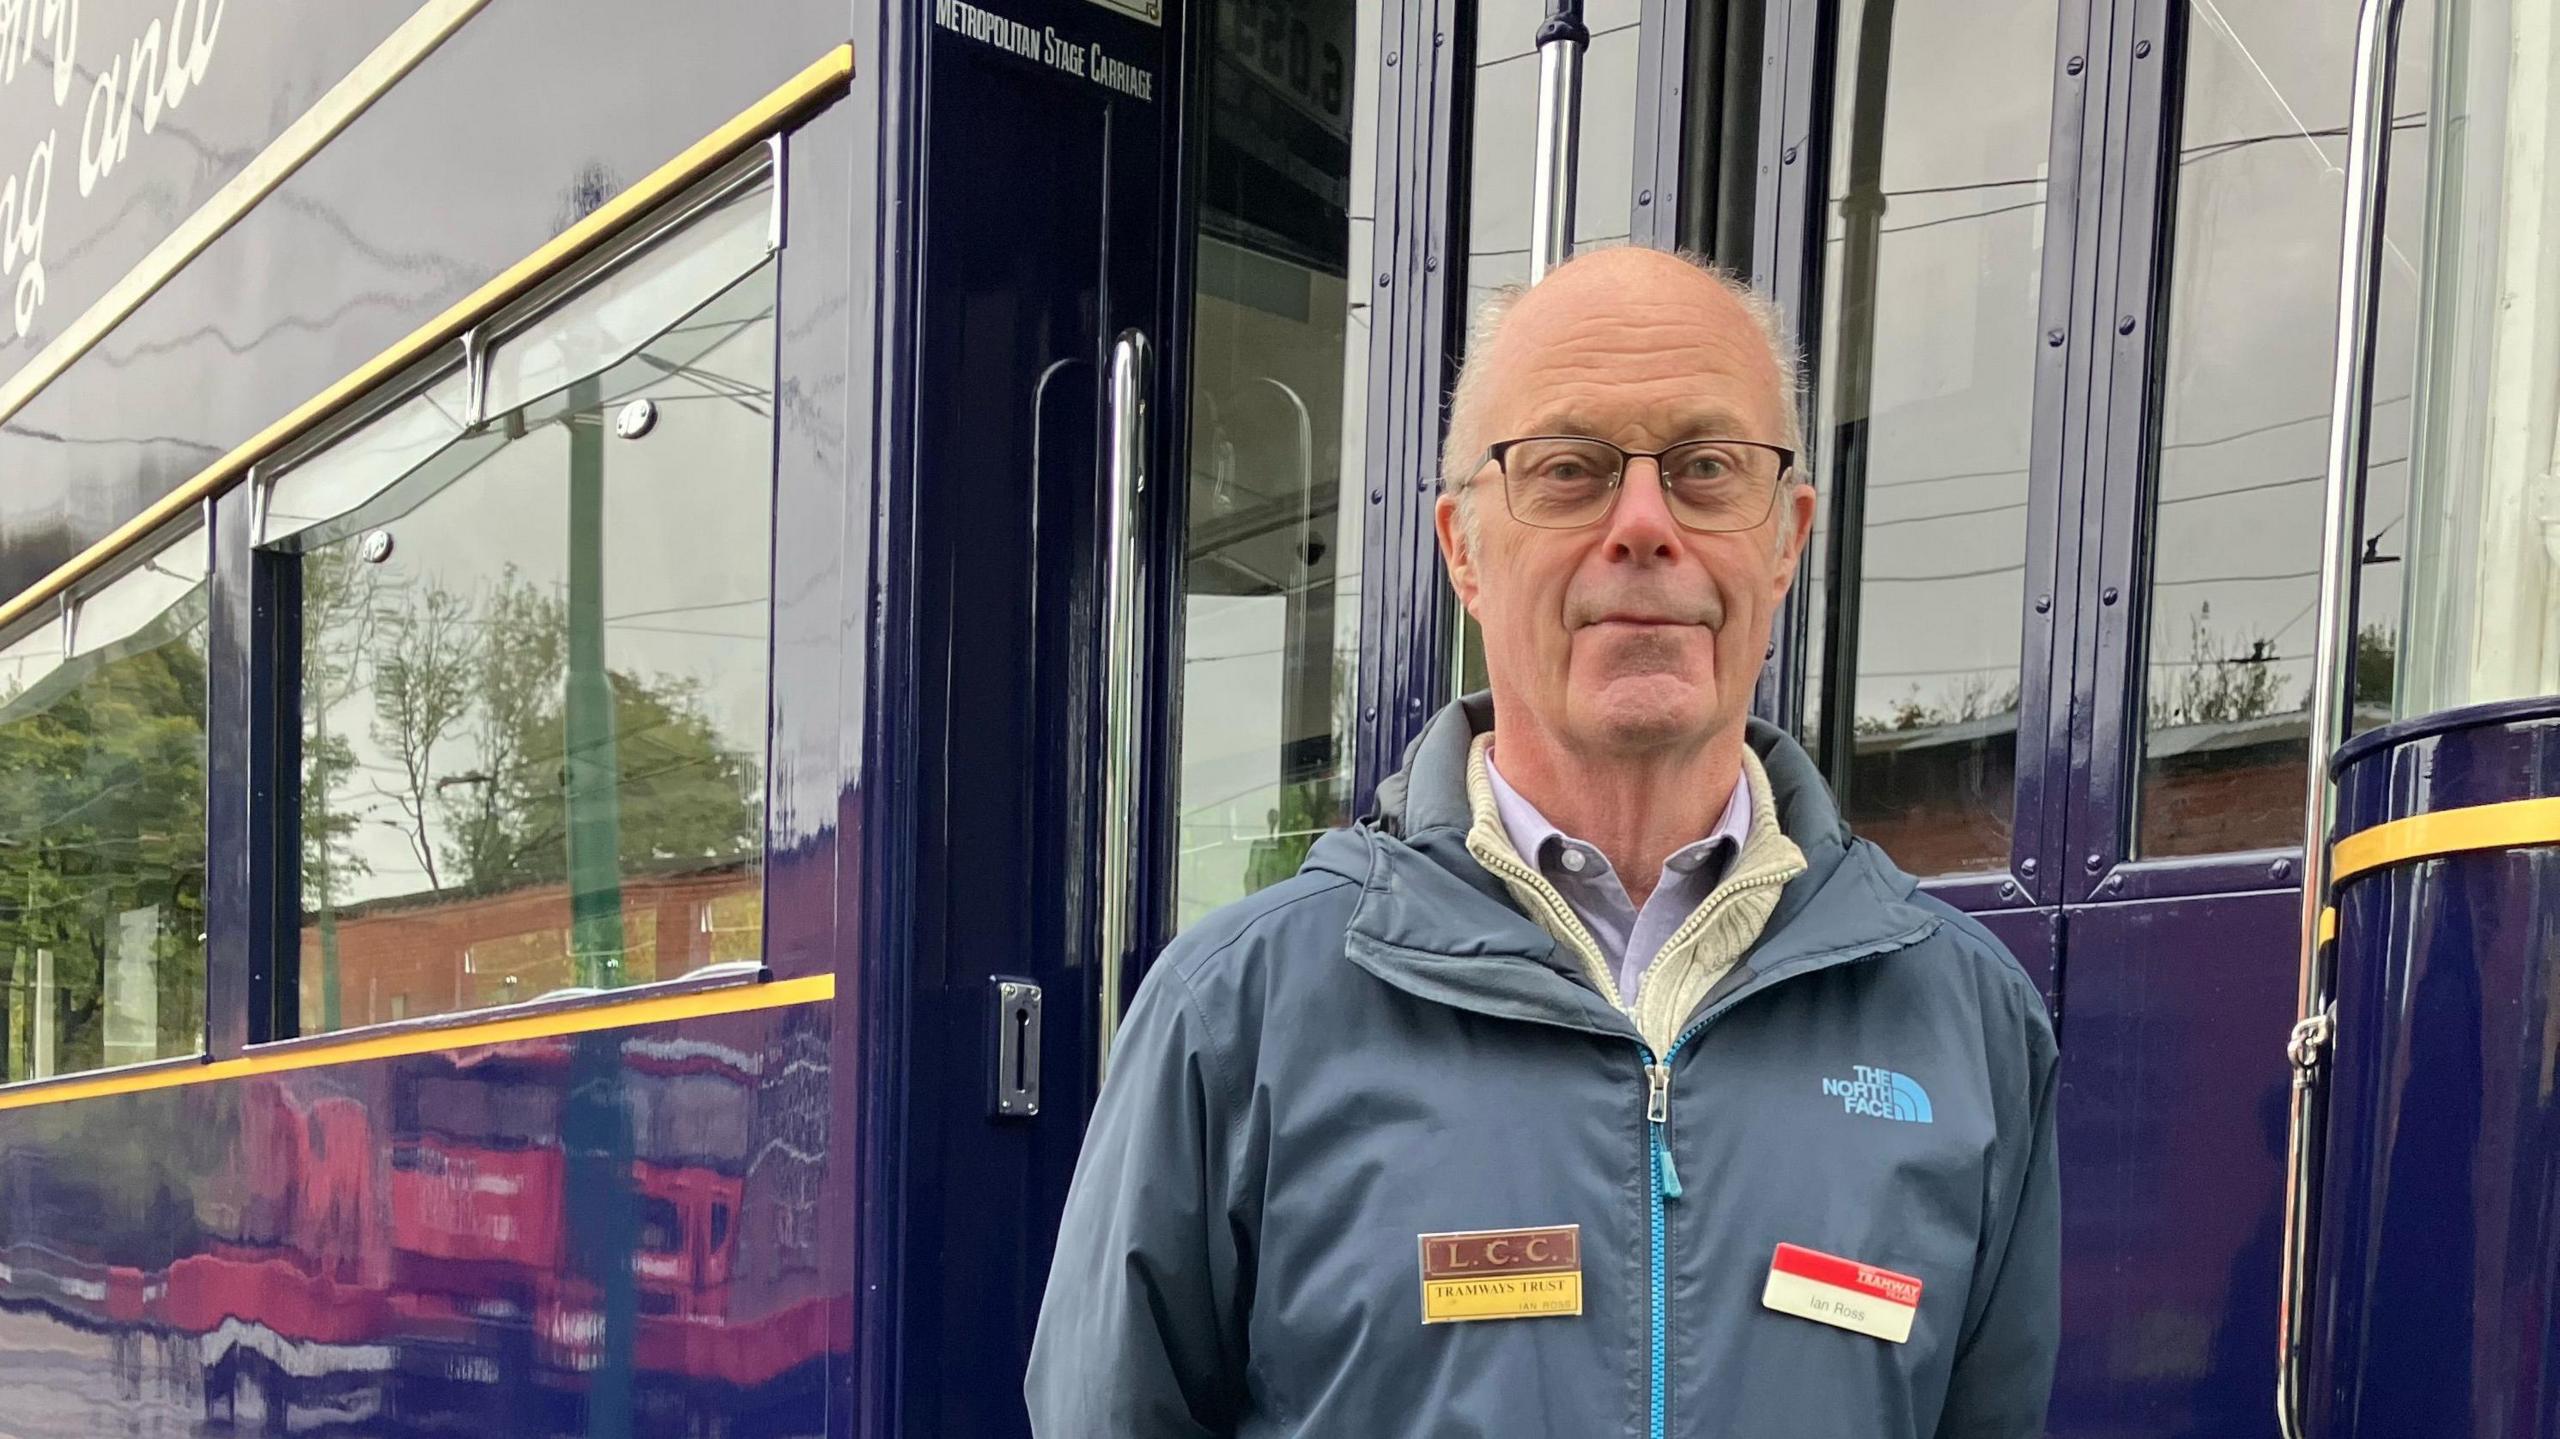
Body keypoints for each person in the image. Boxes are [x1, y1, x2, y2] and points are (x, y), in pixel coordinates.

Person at [1026, 245, 2059, 1437]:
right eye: (1568, 471)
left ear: (1786, 537)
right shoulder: (1236, 1016)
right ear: (1463, 545)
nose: (1641, 525)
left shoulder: (1966, 1026)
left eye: (1706, 468)